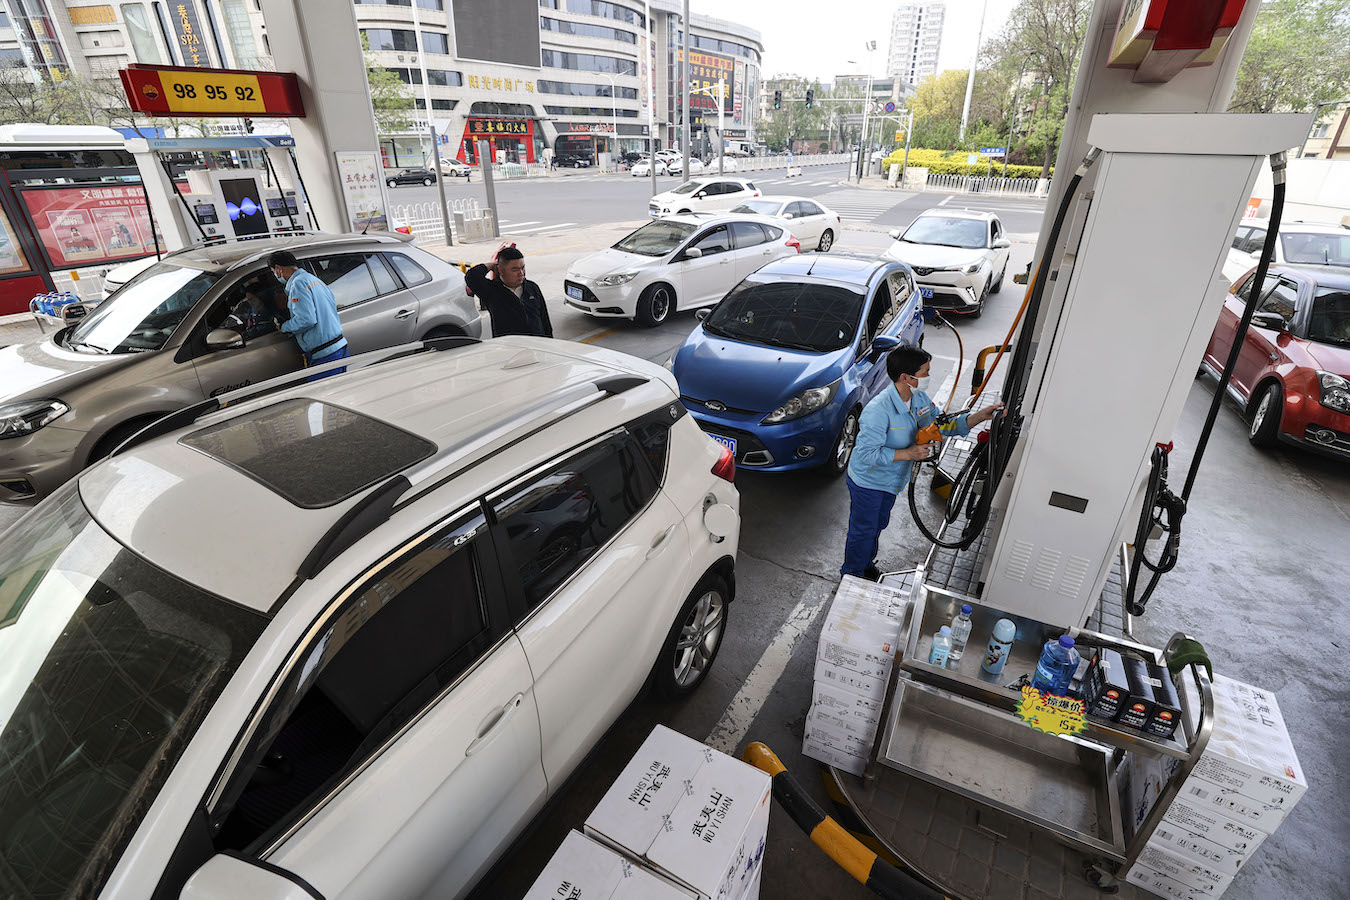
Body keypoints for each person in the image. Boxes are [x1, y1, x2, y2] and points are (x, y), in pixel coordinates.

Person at [841, 345, 1003, 580]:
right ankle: (851, 574)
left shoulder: (919, 399)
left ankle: (865, 563)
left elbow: (939, 425)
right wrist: (908, 454)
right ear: (906, 378)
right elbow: (866, 455)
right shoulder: (878, 411)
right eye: (925, 372)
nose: (928, 377)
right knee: (863, 531)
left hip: (891, 480)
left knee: (876, 526)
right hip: (869, 481)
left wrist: (978, 416)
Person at [268, 250, 350, 379]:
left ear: (278, 269)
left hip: (325, 354)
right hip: (338, 348)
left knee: (321, 395)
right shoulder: (313, 279)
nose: (275, 275)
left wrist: (284, 327)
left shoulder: (298, 284)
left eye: (273, 272)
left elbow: (306, 319)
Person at [465, 244, 553, 338]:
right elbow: (472, 276)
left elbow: (545, 320)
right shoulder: (491, 291)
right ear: (501, 270)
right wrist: (492, 265)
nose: (521, 273)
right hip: (510, 348)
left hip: (538, 345)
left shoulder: (532, 288)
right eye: (515, 269)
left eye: (522, 267)